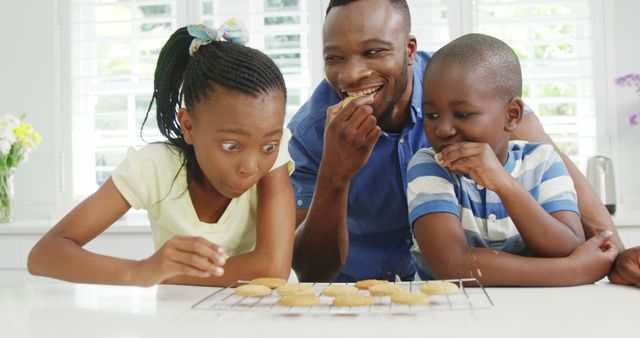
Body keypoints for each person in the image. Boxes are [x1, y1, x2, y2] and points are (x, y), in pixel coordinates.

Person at [288, 0, 640, 285]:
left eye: (373, 52)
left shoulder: (458, 83)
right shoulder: (313, 129)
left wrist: (615, 256)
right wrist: (334, 175)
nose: (351, 74)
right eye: (334, 58)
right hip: (361, 294)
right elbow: (311, 271)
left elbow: (557, 167)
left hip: (476, 293)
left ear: (409, 49)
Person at [27, 21, 295, 287]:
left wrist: (169, 274)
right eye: (230, 146)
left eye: (268, 147)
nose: (250, 166)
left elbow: (272, 269)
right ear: (188, 126)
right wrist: (142, 271)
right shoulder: (154, 168)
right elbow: (44, 255)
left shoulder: (273, 155)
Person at [408, 33, 616, 286]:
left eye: (462, 114)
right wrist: (574, 270)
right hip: (452, 315)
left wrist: (505, 185)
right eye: (431, 114)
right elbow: (451, 265)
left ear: (512, 115)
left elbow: (566, 246)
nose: (443, 129)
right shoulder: (429, 166)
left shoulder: (543, 162)